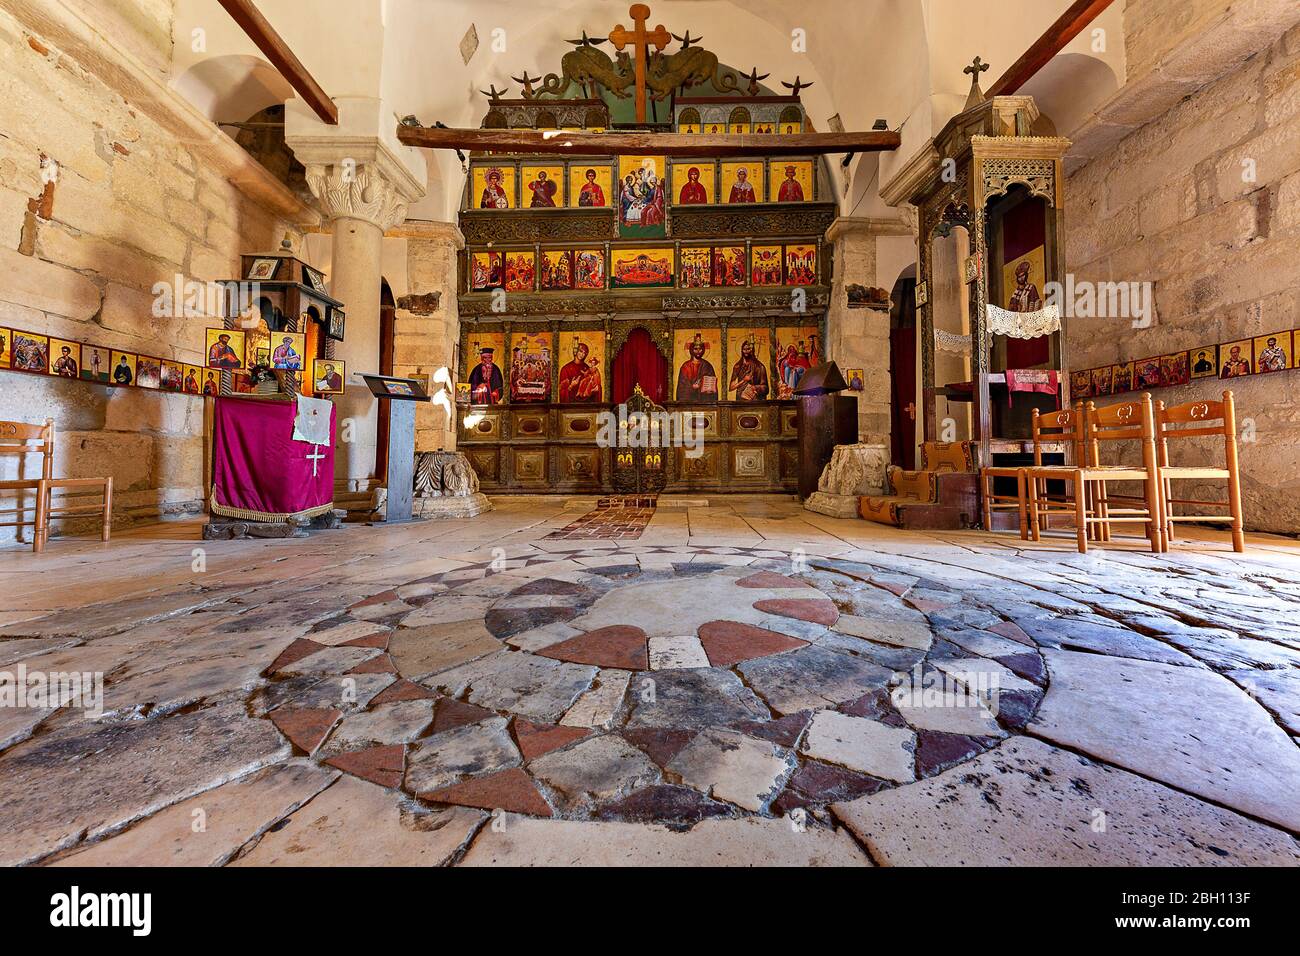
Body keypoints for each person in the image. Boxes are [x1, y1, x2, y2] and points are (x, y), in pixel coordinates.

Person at [676, 335, 718, 401]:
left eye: (700, 349)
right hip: (689, 401)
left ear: (703, 350)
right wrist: (692, 387)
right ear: (691, 350)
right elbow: (682, 387)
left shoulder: (707, 365)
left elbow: (711, 384)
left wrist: (709, 389)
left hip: (704, 400)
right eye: (695, 349)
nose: (698, 351)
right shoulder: (686, 366)